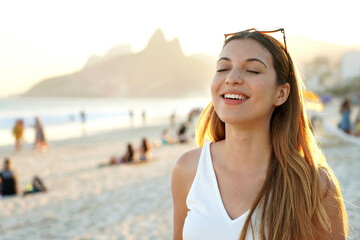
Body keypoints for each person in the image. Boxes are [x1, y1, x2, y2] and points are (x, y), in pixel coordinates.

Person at [171, 29, 347, 240]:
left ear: (280, 93)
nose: (232, 78)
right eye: (223, 68)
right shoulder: (188, 169)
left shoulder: (316, 185)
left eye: (252, 70)